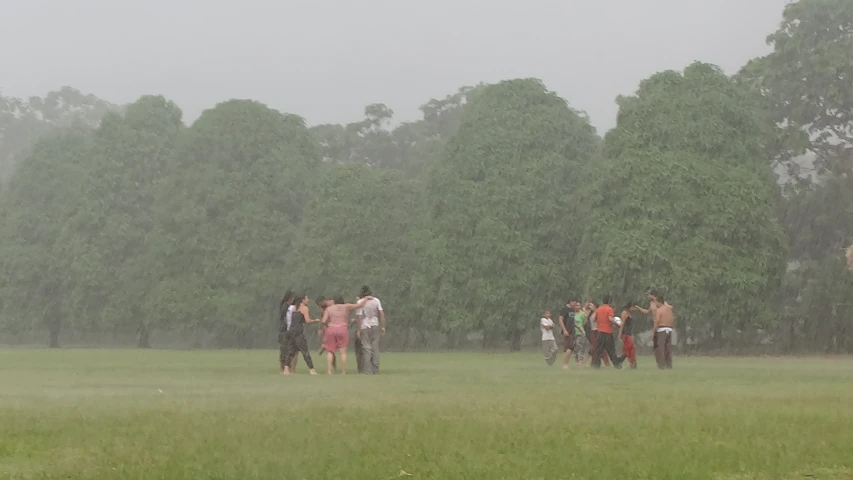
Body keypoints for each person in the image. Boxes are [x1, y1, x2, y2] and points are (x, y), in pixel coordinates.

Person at [321, 295, 369, 374]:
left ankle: (329, 371)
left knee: (330, 351)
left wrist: (323, 329)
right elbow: (359, 305)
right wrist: (366, 298)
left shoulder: (329, 309)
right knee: (343, 352)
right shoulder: (346, 306)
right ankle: (343, 371)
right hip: (342, 328)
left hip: (331, 328)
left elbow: (323, 321)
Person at [282, 294, 322, 375]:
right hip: (298, 332)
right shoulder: (304, 308)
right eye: (307, 298)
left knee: (291, 351)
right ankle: (312, 369)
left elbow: (289, 320)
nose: (308, 300)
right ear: (302, 300)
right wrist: (315, 320)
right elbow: (307, 321)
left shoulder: (293, 308)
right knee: (305, 351)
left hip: (291, 331)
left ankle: (286, 369)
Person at [357, 285, 385, 375]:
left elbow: (360, 317)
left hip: (365, 326)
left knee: (366, 348)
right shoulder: (376, 300)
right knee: (375, 348)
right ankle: (375, 369)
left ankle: (368, 370)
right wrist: (383, 326)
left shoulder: (360, 302)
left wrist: (359, 329)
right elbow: (381, 313)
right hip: (375, 324)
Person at [592, 295, 622, 369]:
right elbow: (610, 318)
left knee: (598, 349)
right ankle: (617, 364)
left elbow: (594, 319)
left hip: (600, 332)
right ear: (609, 301)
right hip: (607, 332)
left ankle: (596, 364)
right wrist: (618, 324)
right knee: (611, 350)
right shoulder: (609, 309)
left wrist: (600, 323)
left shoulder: (598, 309)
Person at [652, 294, 674, 369]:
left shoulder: (659, 310)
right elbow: (672, 318)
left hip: (661, 329)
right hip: (669, 329)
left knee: (660, 347)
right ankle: (669, 364)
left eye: (656, 302)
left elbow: (656, 321)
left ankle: (662, 364)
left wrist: (653, 332)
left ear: (659, 302)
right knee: (668, 347)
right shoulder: (669, 309)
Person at [315, 296, 337, 372]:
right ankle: (333, 367)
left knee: (332, 349)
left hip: (335, 327)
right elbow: (323, 320)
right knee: (331, 350)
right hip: (328, 328)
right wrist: (321, 329)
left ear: (323, 301)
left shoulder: (332, 304)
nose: (319, 306)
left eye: (319, 304)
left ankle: (324, 346)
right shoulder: (322, 309)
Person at [278, 291, 295, 374]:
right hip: (284, 331)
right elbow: (284, 318)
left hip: (285, 330)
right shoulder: (286, 307)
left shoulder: (287, 306)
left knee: (288, 349)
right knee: (285, 350)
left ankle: (286, 368)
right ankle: (283, 368)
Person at [558, 300, 579, 369]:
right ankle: (565, 364)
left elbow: (572, 321)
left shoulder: (572, 310)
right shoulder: (565, 310)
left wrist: (579, 327)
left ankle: (565, 364)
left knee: (567, 348)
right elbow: (560, 319)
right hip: (567, 331)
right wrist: (564, 330)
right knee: (570, 347)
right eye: (575, 303)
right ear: (571, 302)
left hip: (572, 331)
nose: (575, 305)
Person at [617, 301, 638, 369]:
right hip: (625, 334)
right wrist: (620, 334)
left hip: (629, 333)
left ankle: (624, 361)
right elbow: (622, 324)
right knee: (629, 349)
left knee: (630, 349)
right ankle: (631, 363)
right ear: (629, 307)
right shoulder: (624, 313)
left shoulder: (629, 313)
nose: (633, 308)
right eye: (632, 307)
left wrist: (638, 308)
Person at [571, 302, 588, 367]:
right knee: (575, 348)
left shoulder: (582, 313)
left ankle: (580, 363)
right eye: (576, 305)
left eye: (579, 305)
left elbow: (585, 322)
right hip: (573, 333)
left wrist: (581, 327)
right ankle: (577, 362)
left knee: (580, 347)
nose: (578, 307)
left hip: (580, 332)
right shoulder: (572, 313)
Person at [353, 296, 365, 373]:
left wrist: (359, 330)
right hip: (368, 328)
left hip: (361, 330)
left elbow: (359, 319)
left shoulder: (359, 306)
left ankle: (361, 368)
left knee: (359, 351)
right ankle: (363, 368)